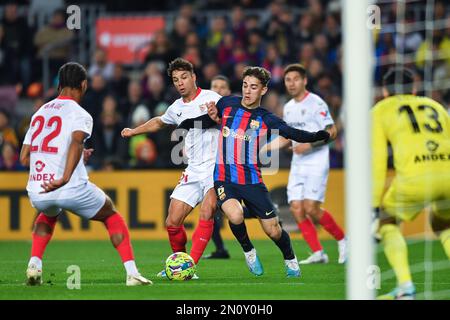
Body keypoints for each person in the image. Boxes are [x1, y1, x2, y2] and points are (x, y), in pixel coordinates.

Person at [178, 66, 330, 277]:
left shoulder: (266, 118)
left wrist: (317, 136)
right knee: (235, 214)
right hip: (224, 178)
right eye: (245, 86)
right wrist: (183, 123)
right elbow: (205, 121)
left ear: (264, 90)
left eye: (254, 87)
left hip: (251, 181)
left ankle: (290, 259)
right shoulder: (227, 103)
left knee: (273, 230)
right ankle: (249, 251)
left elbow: (293, 133)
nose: (248, 91)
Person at [20, 62, 152, 286]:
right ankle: (132, 273)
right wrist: (64, 177)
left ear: (59, 84)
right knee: (111, 214)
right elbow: (76, 142)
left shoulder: (39, 113)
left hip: (38, 190)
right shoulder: (81, 113)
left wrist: (61, 165)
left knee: (49, 214)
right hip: (68, 186)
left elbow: (24, 158)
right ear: (83, 84)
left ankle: (34, 265)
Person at [121, 58, 221, 278]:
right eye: (176, 80)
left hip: (216, 167)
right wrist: (134, 131)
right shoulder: (176, 108)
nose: (180, 83)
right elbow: (159, 122)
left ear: (194, 77)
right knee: (172, 221)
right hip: (193, 169)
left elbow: (228, 119)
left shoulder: (212, 98)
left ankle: (189, 267)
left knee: (208, 210)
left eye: (184, 77)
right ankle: (179, 263)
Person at [373, 68, 450, 299]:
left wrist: (373, 205)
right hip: (447, 175)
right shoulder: (435, 106)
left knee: (387, 221)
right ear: (414, 88)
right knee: (443, 224)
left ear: (385, 91)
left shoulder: (380, 110)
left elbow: (375, 160)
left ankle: (405, 287)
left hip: (415, 178)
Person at [263, 63, 347, 264]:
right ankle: (318, 252)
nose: (291, 84)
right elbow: (286, 138)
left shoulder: (316, 103)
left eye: (295, 79)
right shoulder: (289, 108)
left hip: (317, 161)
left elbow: (332, 131)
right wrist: (263, 148)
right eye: (288, 80)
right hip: (298, 163)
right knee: (296, 209)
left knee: (311, 208)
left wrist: (308, 146)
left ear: (305, 81)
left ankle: (344, 240)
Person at [204, 75, 232, 259]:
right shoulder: (204, 109)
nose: (218, 90)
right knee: (211, 209)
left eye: (222, 87)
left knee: (225, 206)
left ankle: (266, 212)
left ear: (228, 92)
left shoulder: (232, 111)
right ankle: (220, 249)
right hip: (208, 165)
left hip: (229, 165)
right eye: (215, 86)